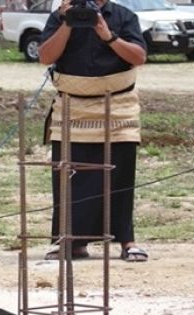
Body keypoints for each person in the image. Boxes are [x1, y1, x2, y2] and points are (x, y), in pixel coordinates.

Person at [38, 0, 149, 262]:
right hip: (72, 108)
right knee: (69, 174)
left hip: (117, 106)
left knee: (119, 175)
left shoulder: (123, 16)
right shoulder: (60, 17)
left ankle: (126, 240)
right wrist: (68, 23)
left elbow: (138, 57)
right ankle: (71, 241)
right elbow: (45, 57)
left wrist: (107, 34)